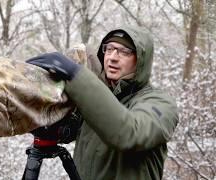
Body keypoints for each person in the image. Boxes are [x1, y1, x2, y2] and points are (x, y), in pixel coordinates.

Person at [26, 25, 179, 180]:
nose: (112, 57)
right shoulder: (93, 97)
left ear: (140, 60)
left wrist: (74, 75)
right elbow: (67, 132)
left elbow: (129, 133)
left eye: (124, 51)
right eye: (109, 48)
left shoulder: (161, 103)